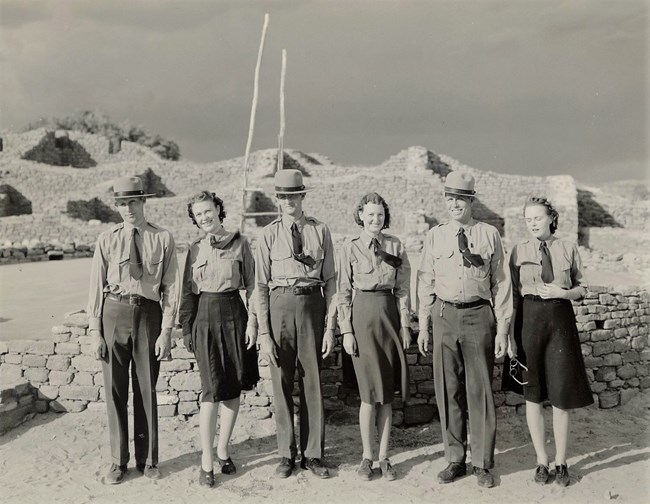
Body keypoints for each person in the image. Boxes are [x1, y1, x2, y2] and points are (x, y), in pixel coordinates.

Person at [416, 171, 512, 488]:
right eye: (450, 198)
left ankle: (482, 463)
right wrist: (424, 326)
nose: (454, 204)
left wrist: (502, 329)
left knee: (480, 390)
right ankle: (455, 459)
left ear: (471, 200)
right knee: (448, 390)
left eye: (460, 198)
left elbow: (501, 284)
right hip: (444, 315)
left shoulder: (488, 235)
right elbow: (426, 282)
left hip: (478, 315)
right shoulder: (436, 236)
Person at [88, 176, 179, 484]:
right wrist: (95, 331)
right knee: (114, 391)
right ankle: (118, 461)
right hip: (113, 312)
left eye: (132, 202)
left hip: (148, 315)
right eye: (121, 204)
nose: (127, 209)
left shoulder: (162, 237)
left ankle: (148, 459)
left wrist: (166, 330)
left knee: (146, 389)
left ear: (144, 202)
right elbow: (95, 287)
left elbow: (171, 288)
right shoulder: (106, 239)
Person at [506, 196, 593, 487]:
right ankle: (542, 460)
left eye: (537, 218)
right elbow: (513, 298)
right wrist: (509, 336)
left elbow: (581, 289)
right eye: (528, 219)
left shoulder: (568, 248)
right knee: (533, 394)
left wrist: (563, 293)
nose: (532, 223)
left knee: (560, 396)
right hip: (528, 322)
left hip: (560, 321)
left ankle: (561, 461)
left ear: (551, 218)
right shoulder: (518, 250)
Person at [255, 168, 337, 479]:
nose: (289, 200)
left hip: (311, 304)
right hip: (279, 306)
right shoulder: (268, 234)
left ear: (303, 196)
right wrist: (264, 332)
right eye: (283, 196)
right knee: (281, 381)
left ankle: (314, 455)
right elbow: (260, 286)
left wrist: (330, 326)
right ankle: (286, 455)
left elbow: (330, 281)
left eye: (294, 195)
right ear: (278, 199)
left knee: (312, 381)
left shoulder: (320, 230)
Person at [178, 191, 260, 488]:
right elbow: (186, 294)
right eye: (199, 215)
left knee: (233, 385)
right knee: (211, 390)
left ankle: (224, 449)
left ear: (218, 210)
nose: (204, 217)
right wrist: (187, 329)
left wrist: (252, 323)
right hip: (205, 317)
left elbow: (252, 286)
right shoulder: (194, 249)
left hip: (234, 315)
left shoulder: (240, 241)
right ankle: (206, 460)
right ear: (195, 220)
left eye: (208, 211)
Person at [336, 192, 411, 481]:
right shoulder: (350, 248)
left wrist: (405, 325)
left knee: (387, 396)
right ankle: (367, 457)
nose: (375, 219)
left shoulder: (395, 245)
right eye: (369, 214)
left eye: (379, 215)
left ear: (384, 216)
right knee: (368, 396)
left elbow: (403, 288)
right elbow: (343, 292)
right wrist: (346, 330)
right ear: (361, 216)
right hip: (363, 319)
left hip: (389, 318)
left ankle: (384, 457)